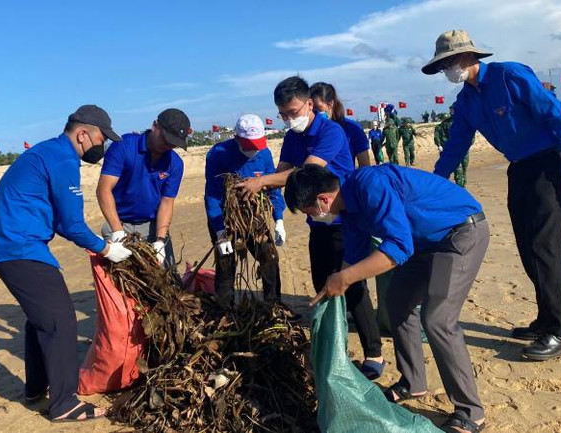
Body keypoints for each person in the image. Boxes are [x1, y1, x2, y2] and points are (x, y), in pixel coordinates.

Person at [423, 30, 561, 362]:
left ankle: (560, 332)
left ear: (469, 56)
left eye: (450, 62)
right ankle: (545, 320)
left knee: (544, 246)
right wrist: (434, 182)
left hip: (551, 162)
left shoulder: (510, 75)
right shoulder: (466, 101)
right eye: (442, 66)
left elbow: (555, 115)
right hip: (520, 169)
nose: (447, 70)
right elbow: (455, 147)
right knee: (526, 246)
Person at [284, 164, 489, 433]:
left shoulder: (371, 186)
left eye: (310, 212)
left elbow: (399, 246)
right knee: (397, 305)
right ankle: (413, 382)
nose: (312, 217)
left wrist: (344, 279)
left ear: (323, 199)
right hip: (423, 244)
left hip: (459, 234)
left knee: (437, 319)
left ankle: (470, 411)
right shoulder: (348, 210)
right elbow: (354, 256)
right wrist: (334, 286)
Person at [0, 105, 131, 422]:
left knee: (41, 317)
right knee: (61, 319)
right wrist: (107, 249)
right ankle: (64, 403)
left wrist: (98, 245)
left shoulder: (49, 152)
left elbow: (64, 223)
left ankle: (37, 388)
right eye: (101, 139)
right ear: (82, 134)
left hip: (10, 242)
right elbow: (74, 224)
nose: (101, 147)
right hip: (18, 245)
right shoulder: (63, 159)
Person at [235, 76, 384, 379]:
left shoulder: (332, 133)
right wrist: (263, 185)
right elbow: (283, 170)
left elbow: (305, 172)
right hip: (317, 221)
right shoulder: (291, 137)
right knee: (321, 284)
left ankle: (374, 354)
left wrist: (263, 181)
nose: (290, 120)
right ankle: (335, 347)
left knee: (352, 286)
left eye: (293, 112)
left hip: (345, 219)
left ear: (309, 104)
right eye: (283, 115)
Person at [204, 114, 287, 308]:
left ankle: (273, 305)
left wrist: (279, 220)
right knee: (226, 262)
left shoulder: (264, 153)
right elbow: (213, 195)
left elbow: (272, 187)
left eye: (258, 144)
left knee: (269, 257)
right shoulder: (218, 154)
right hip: (226, 217)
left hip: (254, 215)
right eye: (250, 145)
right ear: (237, 138)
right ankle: (226, 310)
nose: (254, 150)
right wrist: (220, 232)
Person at [97, 109, 190, 268]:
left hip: (153, 225)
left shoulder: (175, 164)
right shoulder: (123, 146)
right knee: (123, 279)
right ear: (155, 126)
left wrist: (160, 240)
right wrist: (118, 231)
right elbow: (103, 190)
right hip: (119, 222)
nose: (168, 146)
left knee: (168, 279)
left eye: (174, 143)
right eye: (166, 139)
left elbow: (167, 202)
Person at [310, 82, 372, 167]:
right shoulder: (308, 132)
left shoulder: (352, 129)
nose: (315, 113)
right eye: (312, 109)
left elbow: (365, 166)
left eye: (318, 108)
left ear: (331, 103)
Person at [434, 106, 471, 187]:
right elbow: (438, 137)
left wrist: (468, 143)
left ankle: (463, 185)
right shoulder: (441, 126)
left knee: (464, 167)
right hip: (450, 150)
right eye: (451, 110)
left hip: (463, 149)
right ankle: (459, 188)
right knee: (457, 169)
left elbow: (469, 135)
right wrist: (440, 145)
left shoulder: (462, 122)